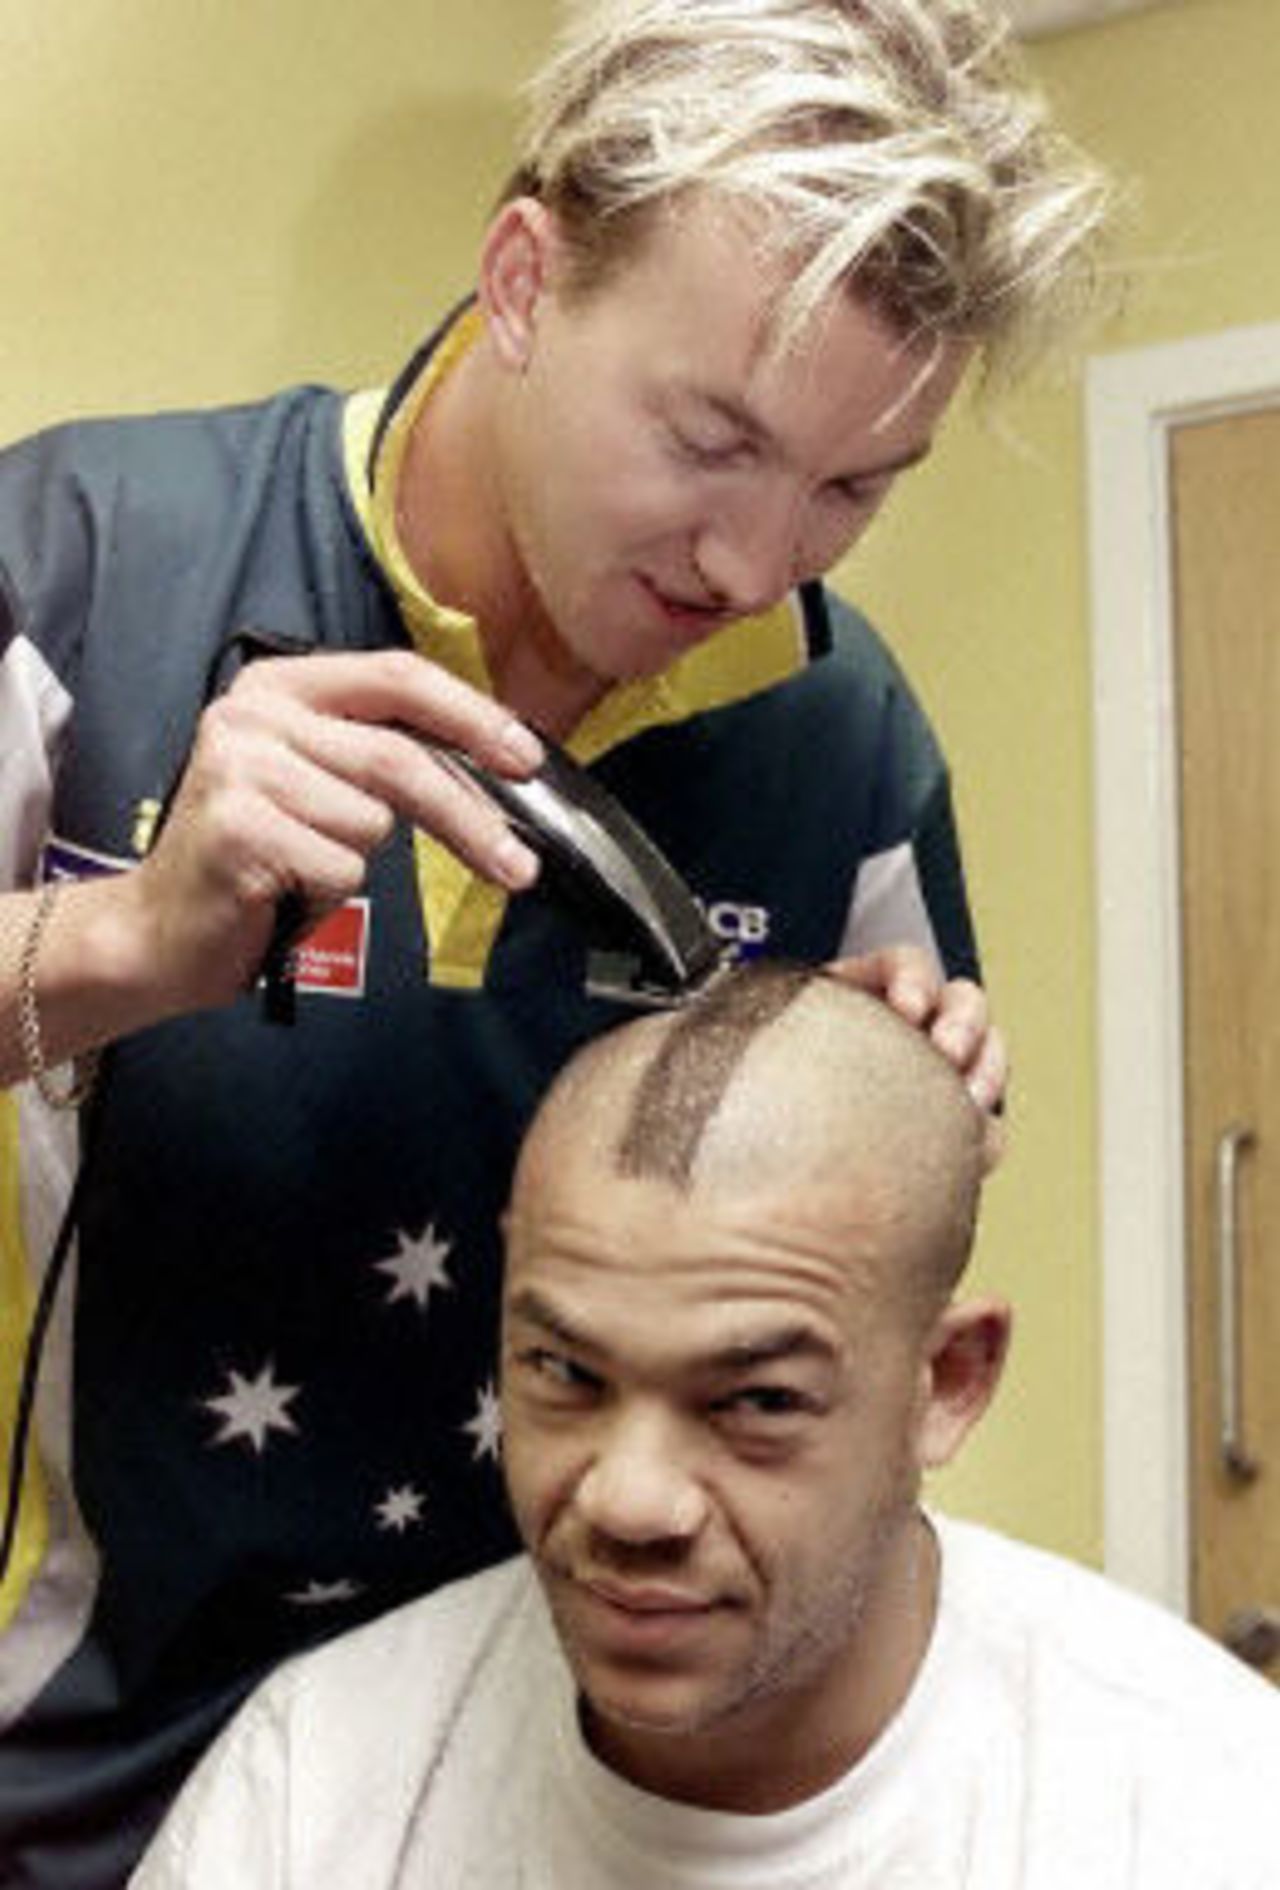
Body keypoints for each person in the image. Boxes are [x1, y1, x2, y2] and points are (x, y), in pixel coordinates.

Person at [0, 1, 1111, 1880]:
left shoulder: (840, 737)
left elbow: (865, 1257)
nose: (755, 567)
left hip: (532, 1788)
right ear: (525, 277)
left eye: (853, 489)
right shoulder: (79, 559)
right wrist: (129, 938)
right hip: (69, 1770)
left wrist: (873, 1090)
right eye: (710, 442)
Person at [129, 964, 1280, 1888]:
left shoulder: (1196, 1802)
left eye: (756, 1403)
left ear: (946, 1384)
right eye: (564, 1372)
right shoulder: (317, 1787)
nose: (629, 1501)